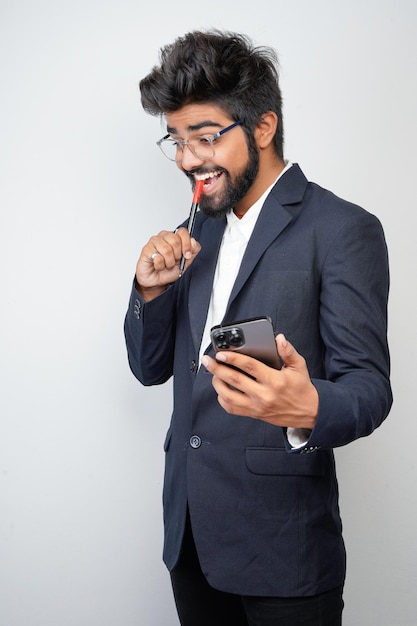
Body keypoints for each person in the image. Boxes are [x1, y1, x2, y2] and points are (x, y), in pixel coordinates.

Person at [124, 30, 392, 626]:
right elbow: (149, 369)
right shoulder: (198, 229)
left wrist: (306, 405)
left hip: (285, 551)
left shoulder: (343, 229)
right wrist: (150, 291)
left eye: (205, 136)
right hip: (190, 539)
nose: (188, 158)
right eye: (177, 139)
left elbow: (370, 389)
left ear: (263, 128)